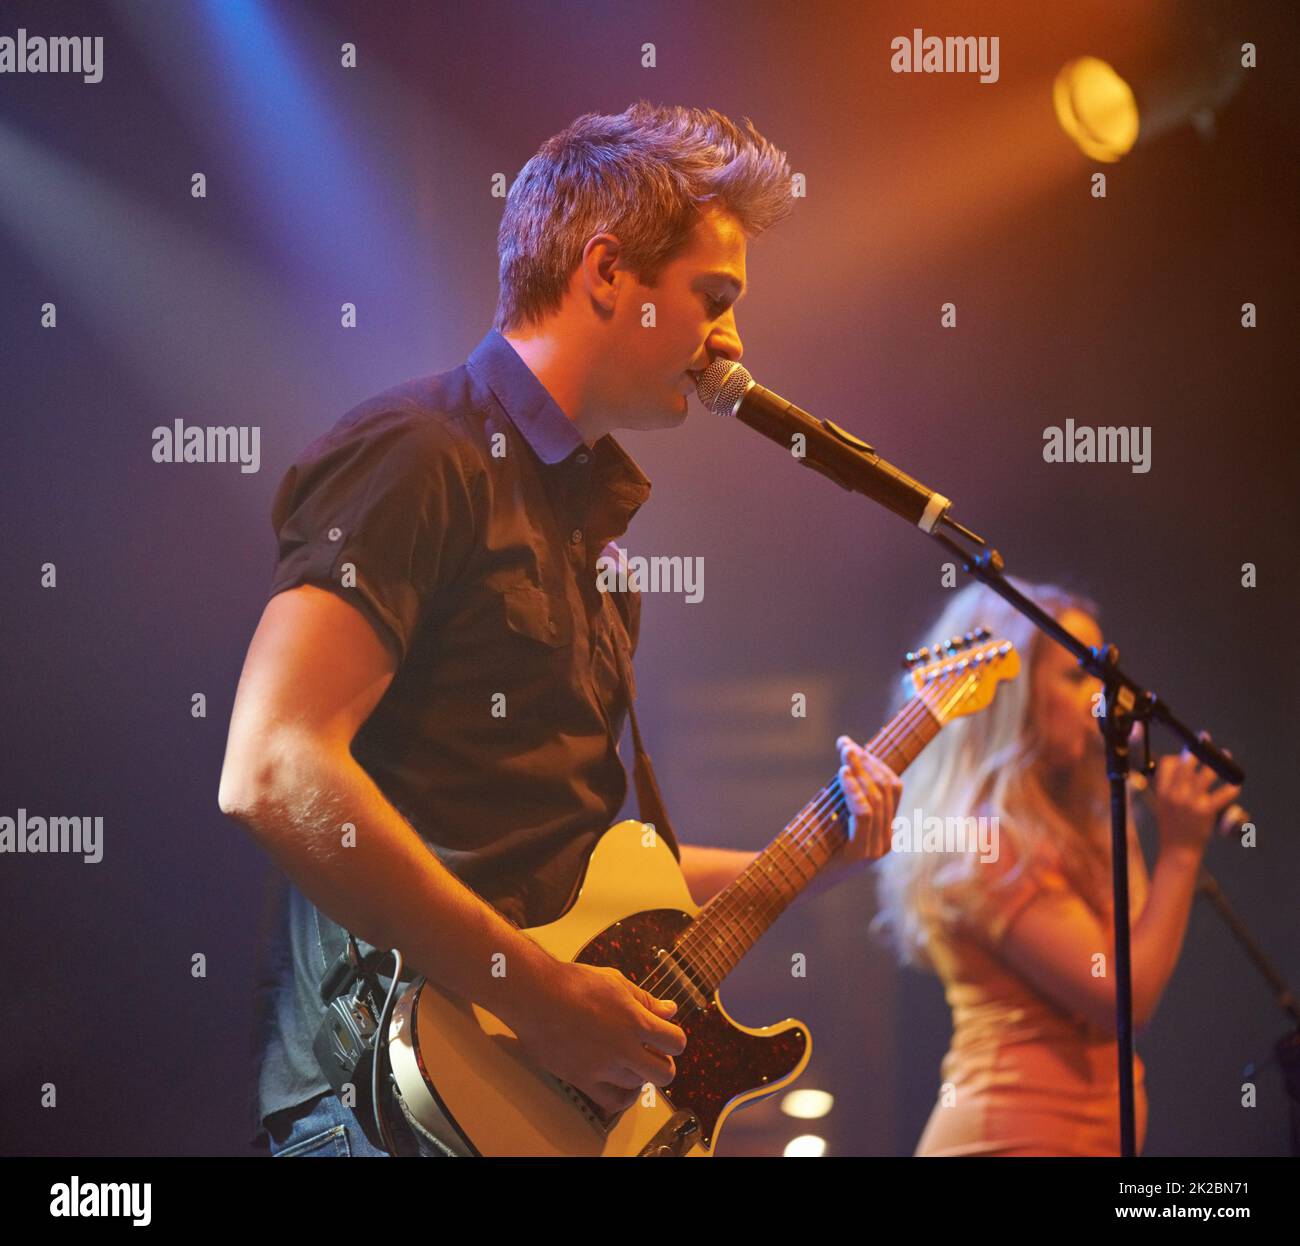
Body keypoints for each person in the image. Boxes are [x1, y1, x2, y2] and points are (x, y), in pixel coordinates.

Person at [218, 101, 902, 1157]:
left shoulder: (600, 553)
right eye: (712, 300)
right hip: (376, 1103)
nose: (733, 343)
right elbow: (271, 765)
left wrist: (820, 850)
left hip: (513, 1111)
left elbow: (586, 876)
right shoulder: (418, 454)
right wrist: (530, 991)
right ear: (605, 274)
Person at [872, 579, 1241, 1157]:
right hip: (1008, 1139)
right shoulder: (984, 845)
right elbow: (1126, 996)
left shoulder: (1066, 823)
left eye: (1102, 675)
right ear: (1012, 697)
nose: (1105, 698)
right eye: (1076, 677)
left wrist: (1112, 795)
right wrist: (1183, 852)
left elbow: (1126, 943)